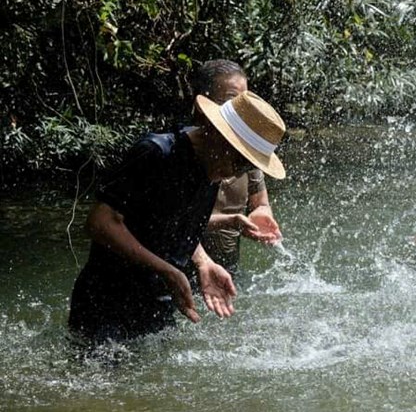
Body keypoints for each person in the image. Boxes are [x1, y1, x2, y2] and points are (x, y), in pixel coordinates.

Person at [68, 91, 287, 346]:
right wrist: (167, 270)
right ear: (217, 135)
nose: (233, 174)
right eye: (238, 162)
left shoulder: (210, 169)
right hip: (106, 301)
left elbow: (174, 224)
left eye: (246, 168)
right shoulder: (156, 153)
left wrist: (204, 263)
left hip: (158, 300)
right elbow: (100, 223)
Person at [193, 60, 282, 274]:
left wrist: (260, 215)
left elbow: (260, 203)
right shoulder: (187, 153)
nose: (239, 111)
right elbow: (169, 222)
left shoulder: (248, 158)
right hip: (184, 267)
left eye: (243, 102)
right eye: (230, 102)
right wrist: (232, 222)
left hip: (227, 270)